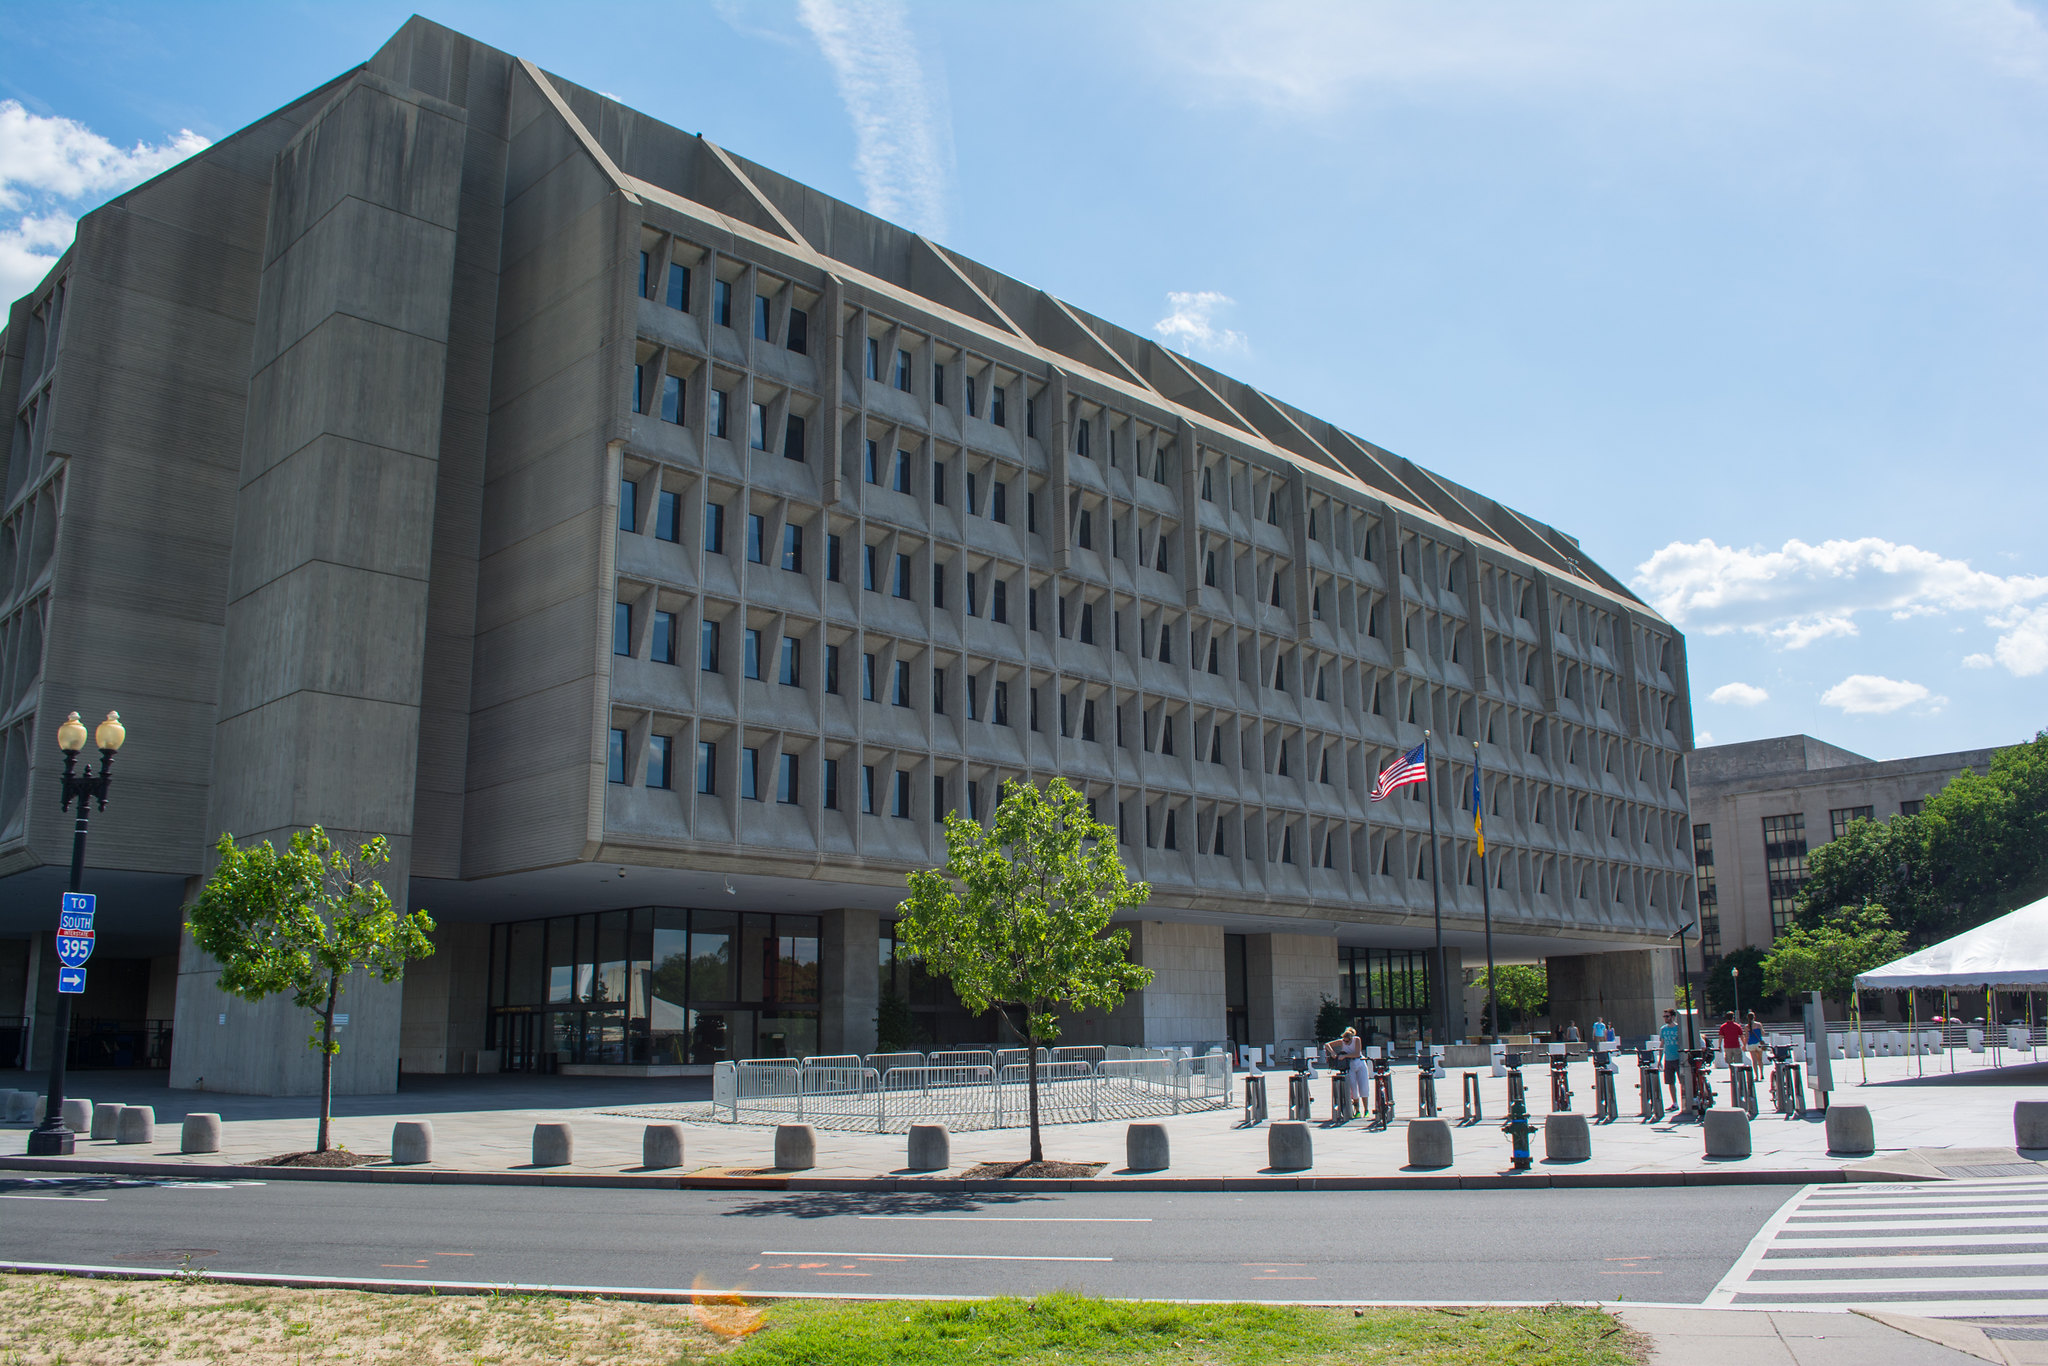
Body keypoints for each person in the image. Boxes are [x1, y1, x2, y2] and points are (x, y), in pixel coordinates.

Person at [1660, 1009, 1684, 1106]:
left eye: (1667, 1016)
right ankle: (1674, 1103)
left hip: (1678, 1058)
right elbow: (1662, 1044)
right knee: (1670, 1082)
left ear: (1673, 1017)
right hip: (1668, 1058)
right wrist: (1660, 1060)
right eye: (1664, 1016)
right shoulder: (1663, 1029)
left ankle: (1685, 1102)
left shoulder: (1679, 1028)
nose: (1665, 1018)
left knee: (1682, 1081)